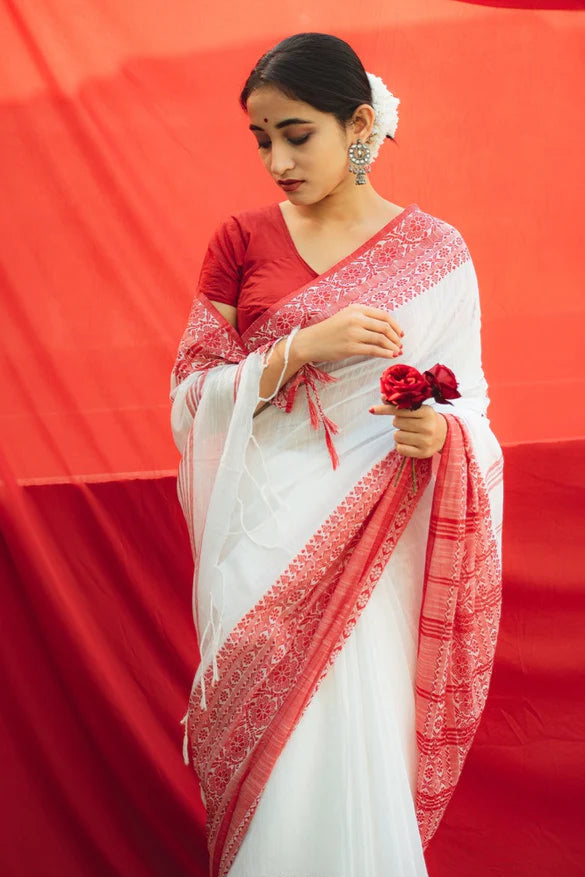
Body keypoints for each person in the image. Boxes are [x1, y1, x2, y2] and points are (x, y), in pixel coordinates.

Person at [170, 32, 503, 877]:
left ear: (357, 124)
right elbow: (186, 398)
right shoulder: (239, 240)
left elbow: (469, 404)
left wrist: (443, 434)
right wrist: (299, 346)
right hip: (263, 535)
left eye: (296, 134)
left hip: (379, 545)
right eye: (261, 140)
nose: (276, 160)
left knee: (353, 739)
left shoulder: (437, 252)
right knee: (270, 755)